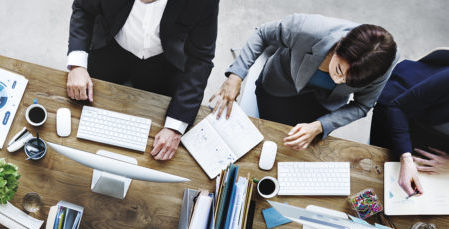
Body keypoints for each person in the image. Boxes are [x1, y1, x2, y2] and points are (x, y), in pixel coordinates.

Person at [214, 14, 398, 150]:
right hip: (279, 86)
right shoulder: (307, 29)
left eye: (350, 81)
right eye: (339, 70)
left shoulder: (381, 66)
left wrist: (320, 126)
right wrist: (236, 76)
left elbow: (362, 106)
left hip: (325, 104)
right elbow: (262, 33)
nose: (339, 81)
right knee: (269, 135)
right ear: (340, 45)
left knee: (303, 146)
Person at [66, 0, 219, 160]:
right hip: (110, 47)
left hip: (165, 62)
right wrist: (77, 65)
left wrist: (175, 126)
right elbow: (83, 9)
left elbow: (201, 59)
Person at [370, 49, 449, 195]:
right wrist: (405, 158)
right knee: (379, 169)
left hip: (436, 135)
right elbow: (398, 108)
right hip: (401, 109)